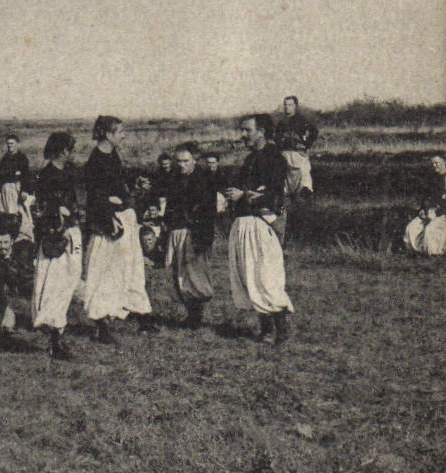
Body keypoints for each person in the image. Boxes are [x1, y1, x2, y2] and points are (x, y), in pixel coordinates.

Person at [80, 116, 155, 342]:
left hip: (123, 218)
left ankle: (142, 316)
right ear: (106, 134)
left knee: (132, 268)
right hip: (109, 225)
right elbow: (94, 197)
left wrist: (129, 189)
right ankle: (100, 325)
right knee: (103, 273)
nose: (123, 135)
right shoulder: (95, 161)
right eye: (119, 131)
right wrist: (108, 212)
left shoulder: (112, 156)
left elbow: (117, 187)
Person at [225, 114, 295, 343]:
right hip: (244, 223)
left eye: (247, 130)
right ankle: (266, 329)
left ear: (262, 132)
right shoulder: (250, 160)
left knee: (266, 275)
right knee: (250, 276)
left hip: (261, 224)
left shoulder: (275, 159)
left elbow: (272, 194)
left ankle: (280, 331)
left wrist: (245, 195)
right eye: (242, 130)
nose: (243, 135)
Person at [30, 131, 83, 359]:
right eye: (70, 150)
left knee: (69, 281)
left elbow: (72, 201)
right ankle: (54, 338)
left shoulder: (68, 173)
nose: (71, 154)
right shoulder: (46, 175)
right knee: (54, 284)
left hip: (71, 231)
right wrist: (55, 215)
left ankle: (57, 333)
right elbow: (40, 209)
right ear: (62, 151)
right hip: (55, 237)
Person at [162, 142, 218, 327]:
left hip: (195, 233)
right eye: (178, 161)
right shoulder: (174, 179)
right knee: (179, 275)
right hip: (176, 231)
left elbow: (208, 212)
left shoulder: (204, 180)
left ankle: (197, 315)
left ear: (195, 160)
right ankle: (191, 315)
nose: (181, 165)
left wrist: (202, 237)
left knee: (195, 275)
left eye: (185, 161)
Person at [277, 95, 319, 201]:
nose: (287, 107)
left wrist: (306, 144)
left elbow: (314, 131)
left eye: (290, 105)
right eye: (285, 105)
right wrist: (280, 144)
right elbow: (276, 137)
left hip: (298, 153)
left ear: (295, 106)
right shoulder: (281, 122)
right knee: (285, 176)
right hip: (284, 153)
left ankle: (305, 192)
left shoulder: (301, 120)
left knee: (303, 171)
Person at [403, 153, 446, 256]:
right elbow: (427, 197)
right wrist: (422, 209)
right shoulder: (432, 179)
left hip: (442, 213)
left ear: (444, 162)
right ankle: (417, 252)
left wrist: (438, 211)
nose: (434, 165)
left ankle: (434, 254)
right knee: (411, 228)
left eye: (436, 163)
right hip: (431, 212)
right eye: (432, 164)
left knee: (430, 229)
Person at [0, 135, 30, 217]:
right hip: (4, 188)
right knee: (5, 212)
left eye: (12, 143)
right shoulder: (5, 158)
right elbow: (0, 175)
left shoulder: (22, 158)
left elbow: (26, 175)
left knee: (15, 211)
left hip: (15, 188)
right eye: (8, 143)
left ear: (18, 144)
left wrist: (24, 190)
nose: (9, 146)